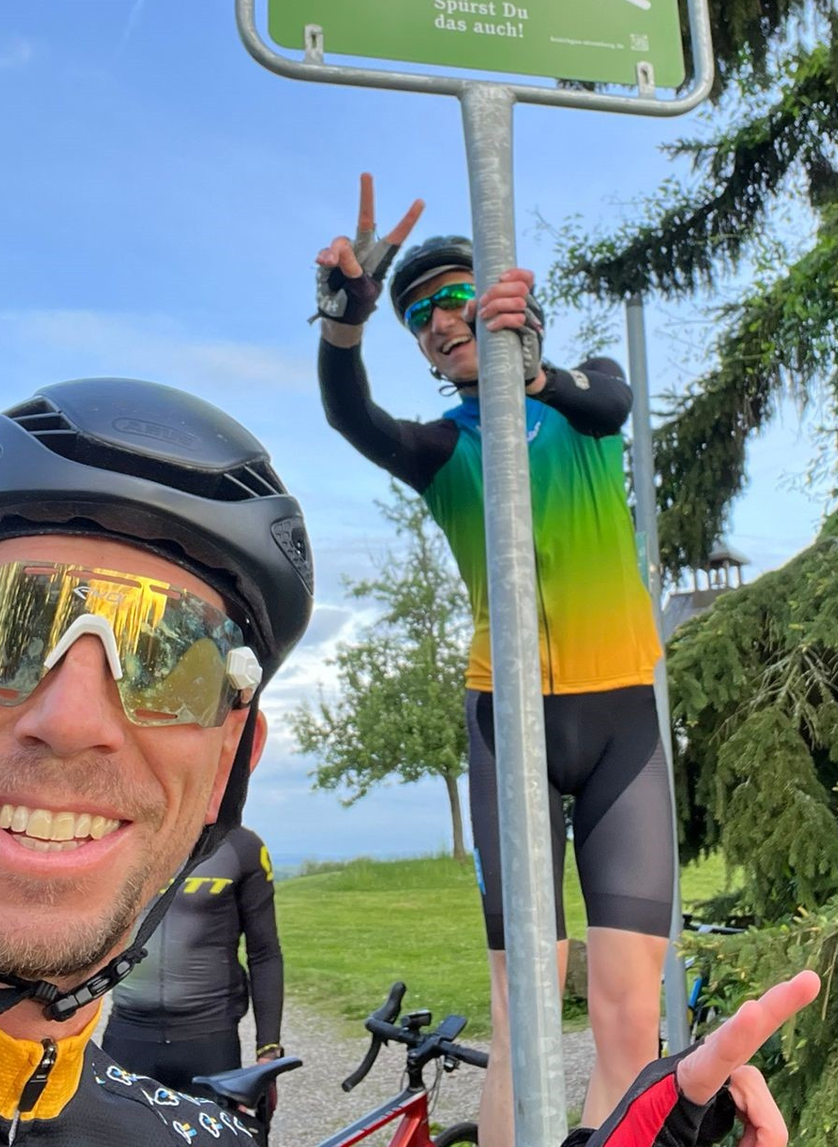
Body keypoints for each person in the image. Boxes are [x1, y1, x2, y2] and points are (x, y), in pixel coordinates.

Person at [0, 376, 816, 1146]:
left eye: (173, 661)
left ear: (233, 757)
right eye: (8, 630)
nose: (74, 718)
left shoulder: (167, 1134)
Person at [314, 177, 677, 1147]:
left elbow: (613, 399)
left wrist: (535, 372)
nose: (438, 321)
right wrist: (343, 326)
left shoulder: (581, 399)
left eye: (454, 298)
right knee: (524, 1018)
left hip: (622, 728)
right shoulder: (444, 450)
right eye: (418, 316)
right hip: (507, 727)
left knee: (630, 1021)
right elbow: (353, 419)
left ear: (509, 304)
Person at [104, 819, 284, 1092]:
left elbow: (264, 952)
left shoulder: (242, 846)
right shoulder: (119, 839)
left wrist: (268, 1050)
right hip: (127, 1031)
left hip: (209, 1037)